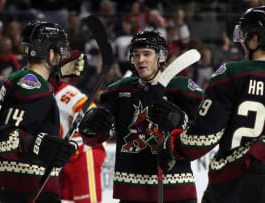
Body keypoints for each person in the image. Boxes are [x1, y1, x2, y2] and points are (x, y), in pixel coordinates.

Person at [147, 5, 265, 203]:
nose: (242, 42)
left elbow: (203, 138)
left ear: (255, 39)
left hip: (231, 182)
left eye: (246, 36)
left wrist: (174, 146)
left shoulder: (231, 73)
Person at [79, 31, 204, 202]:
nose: (140, 60)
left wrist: (180, 121)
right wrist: (92, 127)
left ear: (161, 57)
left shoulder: (181, 88)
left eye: (146, 54)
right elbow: (93, 138)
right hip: (132, 193)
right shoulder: (119, 90)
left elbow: (203, 134)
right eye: (135, 55)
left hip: (174, 191)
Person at [0, 21, 85, 203]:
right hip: (31, 183)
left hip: (15, 183)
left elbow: (32, 104)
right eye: (59, 51)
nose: (62, 56)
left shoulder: (23, 77)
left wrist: (58, 74)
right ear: (50, 53)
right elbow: (8, 134)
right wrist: (36, 143)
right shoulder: (35, 85)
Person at [54, 82, 106, 203]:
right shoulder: (41, 95)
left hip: (83, 155)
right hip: (61, 160)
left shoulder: (64, 93)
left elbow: (93, 116)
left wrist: (74, 145)